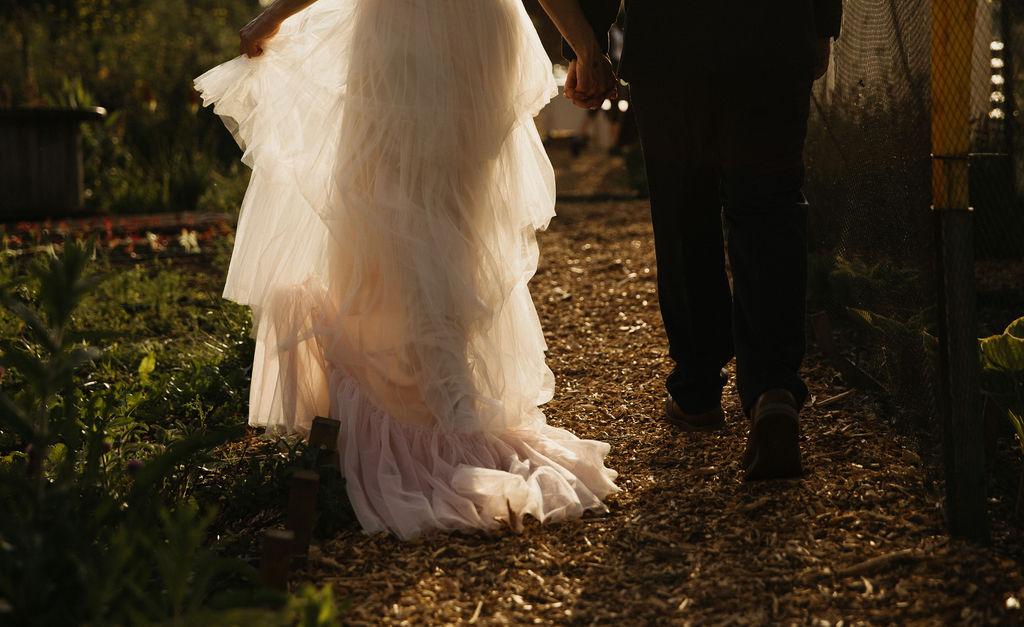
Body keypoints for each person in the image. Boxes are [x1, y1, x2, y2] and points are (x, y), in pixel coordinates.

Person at [194, 0, 618, 540]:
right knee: (455, 224)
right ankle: (448, 388)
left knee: (387, 215)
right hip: (481, 31)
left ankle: (416, 395)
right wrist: (584, 44)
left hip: (403, 30)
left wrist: (276, 13)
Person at [559, 1, 842, 480]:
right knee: (770, 208)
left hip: (673, 49)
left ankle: (697, 391)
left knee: (683, 210)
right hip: (774, 38)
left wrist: (590, 42)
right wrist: (819, 25)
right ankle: (773, 387)